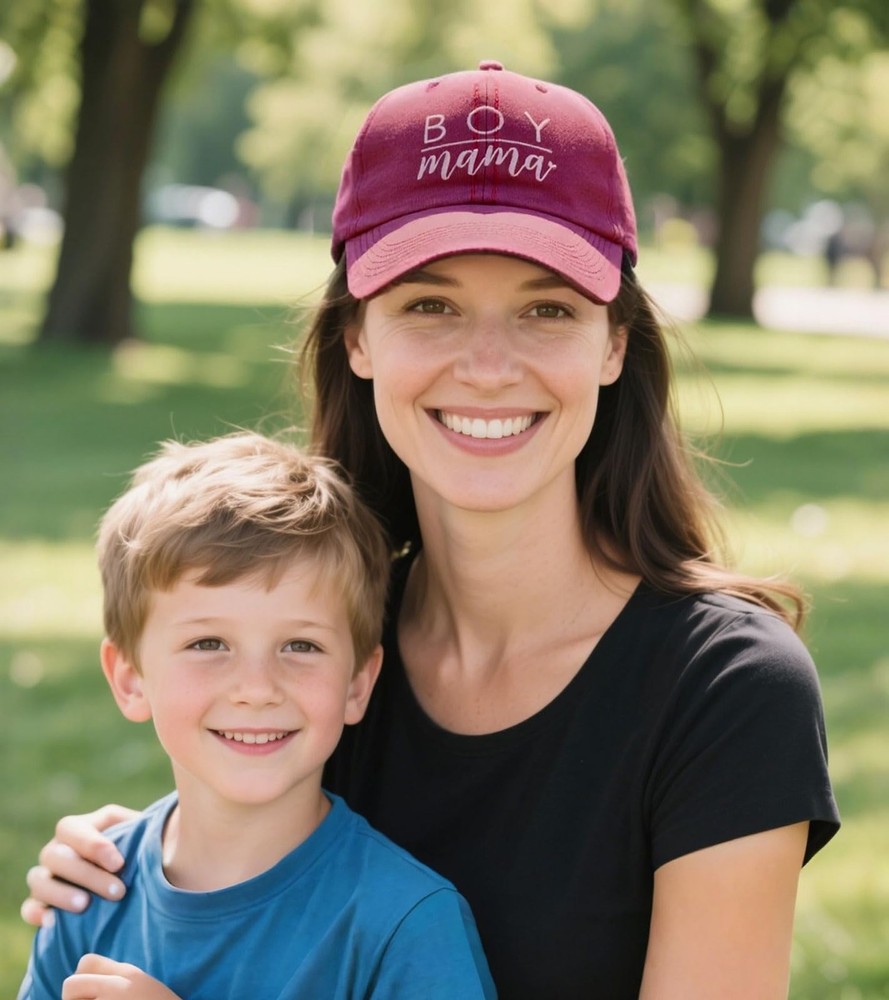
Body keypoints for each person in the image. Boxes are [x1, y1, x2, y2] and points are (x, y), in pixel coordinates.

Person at [22, 63, 839, 999]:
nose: (486, 367)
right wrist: (137, 873)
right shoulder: (310, 646)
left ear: (612, 344)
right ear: (356, 340)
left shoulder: (725, 690)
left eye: (545, 309)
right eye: (430, 306)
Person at [18, 432, 495, 1000]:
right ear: (129, 677)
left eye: (300, 646)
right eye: (208, 643)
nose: (256, 688)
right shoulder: (84, 893)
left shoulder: (405, 926)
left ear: (357, 683)